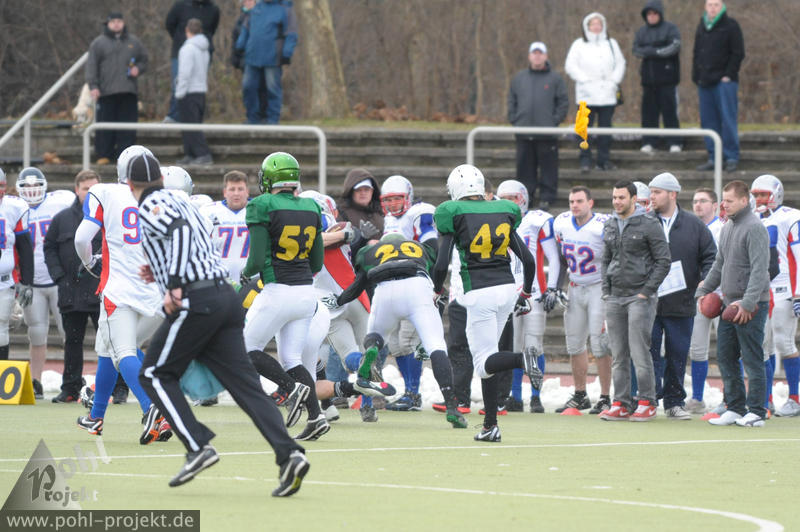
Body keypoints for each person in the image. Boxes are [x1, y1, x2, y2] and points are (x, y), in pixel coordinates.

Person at [128, 153, 309, 495]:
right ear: (160, 179)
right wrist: (162, 269)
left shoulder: (150, 204)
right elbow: (192, 238)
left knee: (153, 373)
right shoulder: (183, 201)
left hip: (197, 299)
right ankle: (289, 454)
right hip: (224, 296)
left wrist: (174, 282)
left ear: (129, 184)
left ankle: (197, 445)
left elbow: (179, 233)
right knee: (246, 386)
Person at [432, 164, 542, 442]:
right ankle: (490, 425)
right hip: (507, 289)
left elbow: (442, 263)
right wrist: (526, 292)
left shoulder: (452, 211)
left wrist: (436, 290)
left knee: (482, 363)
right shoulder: (503, 209)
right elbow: (528, 260)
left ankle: (522, 359)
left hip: (479, 291)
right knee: (490, 358)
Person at [322, 232, 469, 429]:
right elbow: (439, 274)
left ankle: (370, 374)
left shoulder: (370, 251)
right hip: (417, 287)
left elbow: (358, 285)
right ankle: (452, 406)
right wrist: (436, 292)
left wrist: (339, 301)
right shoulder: (421, 248)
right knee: (436, 347)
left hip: (386, 291)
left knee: (373, 340)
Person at [74, 145, 168, 442]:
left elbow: (82, 238)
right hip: (159, 292)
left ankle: (152, 406)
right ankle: (96, 416)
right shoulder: (169, 197)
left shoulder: (105, 192)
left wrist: (89, 262)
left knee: (122, 351)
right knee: (107, 347)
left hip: (120, 290)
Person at [241, 152, 329, 441]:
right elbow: (317, 262)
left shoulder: (262, 205)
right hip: (306, 294)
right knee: (292, 358)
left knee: (247, 348)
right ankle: (316, 417)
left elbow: (256, 260)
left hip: (278, 289)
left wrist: (245, 274)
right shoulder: (312, 206)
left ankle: (291, 389)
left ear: (269, 179)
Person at [696, 180, 770, 427]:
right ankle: (736, 408)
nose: (724, 205)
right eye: (723, 200)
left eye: (729, 201)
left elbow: (760, 270)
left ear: (743, 200)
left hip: (751, 305)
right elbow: (720, 264)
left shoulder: (755, 227)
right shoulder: (727, 227)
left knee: (752, 357)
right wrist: (703, 290)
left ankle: (757, 412)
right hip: (729, 304)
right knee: (726, 356)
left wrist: (748, 303)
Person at [647, 173, 716, 419]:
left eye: (657, 192)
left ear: (672, 194)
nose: (652, 197)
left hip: (682, 300)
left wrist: (705, 280)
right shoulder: (645, 221)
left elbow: (710, 256)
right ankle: (648, 400)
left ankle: (674, 402)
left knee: (677, 353)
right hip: (648, 301)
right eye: (651, 192)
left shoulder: (694, 224)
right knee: (648, 353)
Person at [600, 180, 670, 421]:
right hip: (615, 296)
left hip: (639, 296)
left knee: (640, 351)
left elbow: (663, 260)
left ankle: (647, 401)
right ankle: (621, 402)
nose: (617, 202)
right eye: (614, 197)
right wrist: (606, 290)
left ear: (633, 199)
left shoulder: (649, 223)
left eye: (621, 197)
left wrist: (646, 291)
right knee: (618, 353)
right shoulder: (610, 223)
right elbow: (605, 259)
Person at [495, 180, 559, 414]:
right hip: (507, 292)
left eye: (513, 198)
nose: (509, 203)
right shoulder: (494, 221)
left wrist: (552, 288)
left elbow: (553, 257)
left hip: (534, 293)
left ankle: (535, 396)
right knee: (512, 348)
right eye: (504, 198)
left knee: (533, 346)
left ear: (522, 198)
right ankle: (515, 396)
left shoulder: (537, 220)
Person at [553, 186, 613, 415]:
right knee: (575, 343)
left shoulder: (603, 225)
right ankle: (580, 394)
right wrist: (557, 286)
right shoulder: (562, 223)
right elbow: (560, 258)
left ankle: (605, 396)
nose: (575, 205)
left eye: (579, 201)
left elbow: (614, 256)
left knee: (600, 344)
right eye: (571, 202)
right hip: (575, 286)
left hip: (598, 287)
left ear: (591, 203)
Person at [379, 175, 437, 412]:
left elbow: (432, 247)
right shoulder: (389, 220)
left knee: (407, 340)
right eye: (388, 199)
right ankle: (409, 392)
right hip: (393, 285)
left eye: (397, 198)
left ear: (409, 197)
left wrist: (432, 283)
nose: (392, 204)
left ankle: (413, 394)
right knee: (395, 343)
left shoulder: (419, 213)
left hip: (415, 284)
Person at [16, 167, 74, 397]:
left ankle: (72, 379)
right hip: (32, 283)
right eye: (26, 186)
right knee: (36, 333)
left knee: (69, 332)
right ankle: (36, 381)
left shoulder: (60, 201)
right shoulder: (14, 208)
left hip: (59, 279)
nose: (31, 190)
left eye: (35, 185)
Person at [44, 170, 101, 403]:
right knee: (73, 341)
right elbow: (49, 248)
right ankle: (70, 387)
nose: (90, 193)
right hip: (71, 290)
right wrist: (59, 277)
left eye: (94, 188)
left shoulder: (107, 217)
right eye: (86, 188)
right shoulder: (62, 219)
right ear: (77, 190)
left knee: (110, 343)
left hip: (100, 290)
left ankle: (118, 388)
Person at [750, 175, 800, 418]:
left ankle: (795, 398)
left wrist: (799, 292)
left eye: (764, 194)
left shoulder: (791, 216)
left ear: (776, 194)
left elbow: (799, 256)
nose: (760, 199)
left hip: (785, 289)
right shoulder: (752, 218)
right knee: (762, 345)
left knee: (784, 342)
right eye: (756, 195)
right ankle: (765, 399)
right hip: (761, 290)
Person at [507, 41, 568, 210]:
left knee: (548, 168)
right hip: (524, 132)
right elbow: (512, 100)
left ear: (546, 56)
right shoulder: (519, 78)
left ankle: (547, 198)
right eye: (534, 53)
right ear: (529, 56)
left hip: (546, 133)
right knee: (524, 169)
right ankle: (527, 197)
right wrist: (514, 119)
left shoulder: (555, 78)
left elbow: (563, 102)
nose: (537, 56)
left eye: (540, 53)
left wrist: (554, 121)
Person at [565, 12, 626, 173]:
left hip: (607, 94)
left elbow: (620, 63)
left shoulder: (611, 43)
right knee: (584, 130)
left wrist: (614, 81)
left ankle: (603, 160)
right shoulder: (578, 44)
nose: (596, 27)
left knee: (605, 129)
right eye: (593, 24)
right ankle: (585, 160)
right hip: (586, 95)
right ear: (587, 26)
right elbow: (570, 65)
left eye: (599, 24)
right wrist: (584, 80)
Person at [86, 12, 148, 165]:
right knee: (105, 126)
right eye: (113, 21)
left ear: (123, 23)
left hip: (128, 91)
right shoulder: (98, 43)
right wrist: (93, 86)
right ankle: (104, 154)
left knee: (127, 127)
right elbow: (91, 66)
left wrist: (138, 69)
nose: (116, 24)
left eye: (119, 21)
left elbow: (144, 60)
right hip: (106, 92)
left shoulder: (134, 42)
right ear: (107, 24)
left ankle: (126, 156)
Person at [692, 0, 745, 173]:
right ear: (705, 7)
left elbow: (738, 53)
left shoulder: (731, 25)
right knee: (708, 121)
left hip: (724, 83)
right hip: (704, 82)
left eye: (716, 4)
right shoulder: (702, 26)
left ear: (722, 7)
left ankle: (731, 156)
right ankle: (714, 157)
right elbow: (696, 52)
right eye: (710, 5)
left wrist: (728, 74)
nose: (713, 8)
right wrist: (696, 75)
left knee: (728, 119)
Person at [686, 187, 724, 413]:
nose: (698, 205)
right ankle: (697, 398)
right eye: (695, 201)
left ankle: (731, 398)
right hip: (699, 294)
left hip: (722, 294)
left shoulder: (724, 228)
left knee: (728, 349)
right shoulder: (690, 228)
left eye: (703, 200)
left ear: (715, 205)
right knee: (697, 349)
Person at [235, 0, 297, 124]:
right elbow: (246, 28)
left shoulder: (285, 9)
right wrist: (240, 45)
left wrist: (287, 53)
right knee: (248, 87)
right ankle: (253, 118)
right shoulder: (256, 9)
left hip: (273, 58)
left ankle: (272, 119)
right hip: (252, 56)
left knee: (272, 89)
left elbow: (291, 33)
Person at [633, 0, 682, 153]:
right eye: (649, 14)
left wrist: (653, 52)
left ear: (660, 14)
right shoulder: (641, 32)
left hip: (667, 79)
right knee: (648, 113)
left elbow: (674, 46)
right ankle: (649, 141)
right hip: (648, 80)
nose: (652, 16)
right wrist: (652, 50)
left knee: (670, 112)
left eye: (655, 13)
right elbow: (636, 50)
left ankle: (674, 142)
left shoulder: (670, 28)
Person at [0, 169, 34, 386]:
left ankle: (1, 379)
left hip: (5, 281)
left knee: (1, 327)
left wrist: (27, 282)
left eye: (2, 186)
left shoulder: (14, 208)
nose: (0, 191)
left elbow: (24, 246)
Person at [164, 0, 220, 123]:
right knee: (178, 82)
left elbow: (212, 29)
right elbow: (169, 24)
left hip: (202, 52)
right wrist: (181, 40)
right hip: (181, 51)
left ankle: (195, 117)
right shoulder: (180, 5)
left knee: (197, 85)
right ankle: (174, 115)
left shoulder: (213, 9)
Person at [200, 171, 251, 282]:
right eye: (232, 189)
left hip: (251, 279)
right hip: (219, 279)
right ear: (224, 192)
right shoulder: (209, 211)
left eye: (240, 189)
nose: (236, 193)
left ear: (247, 192)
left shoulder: (258, 210)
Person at [175, 18, 213, 166]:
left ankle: (203, 154)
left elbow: (185, 73)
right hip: (200, 90)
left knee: (191, 126)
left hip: (189, 92)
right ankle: (190, 153)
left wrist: (179, 92)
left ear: (187, 30)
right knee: (192, 125)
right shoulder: (204, 48)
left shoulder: (187, 49)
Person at [337, 168, 384, 236]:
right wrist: (362, 238)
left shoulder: (380, 212)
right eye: (358, 190)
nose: (363, 193)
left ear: (372, 191)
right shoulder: (341, 213)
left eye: (366, 189)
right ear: (351, 192)